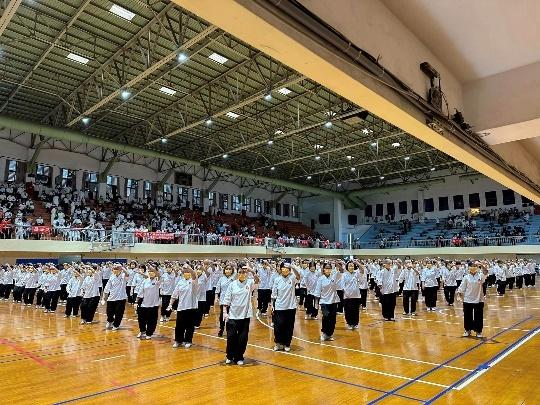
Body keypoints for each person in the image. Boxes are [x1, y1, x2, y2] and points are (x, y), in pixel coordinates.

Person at [222, 263, 259, 365]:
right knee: (231, 337)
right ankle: (229, 356)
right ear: (237, 273)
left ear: (246, 273)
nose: (242, 274)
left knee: (242, 339)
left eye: (244, 272)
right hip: (233, 316)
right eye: (240, 272)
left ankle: (239, 357)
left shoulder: (249, 283)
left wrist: (251, 270)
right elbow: (226, 300)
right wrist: (225, 313)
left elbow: (257, 281)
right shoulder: (232, 284)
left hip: (245, 316)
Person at [270, 262, 300, 351]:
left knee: (289, 326)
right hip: (279, 306)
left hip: (291, 306)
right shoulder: (277, 279)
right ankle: (278, 343)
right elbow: (274, 294)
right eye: (283, 268)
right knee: (278, 326)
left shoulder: (292, 278)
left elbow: (298, 276)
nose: (285, 269)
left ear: (289, 270)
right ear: (281, 269)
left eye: (287, 268)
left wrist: (293, 266)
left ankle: (287, 344)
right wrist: (272, 305)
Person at [168, 264, 198, 348]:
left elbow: (194, 275)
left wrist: (189, 268)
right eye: (185, 272)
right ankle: (178, 341)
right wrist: (170, 304)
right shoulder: (180, 282)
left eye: (188, 272)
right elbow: (174, 295)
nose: (186, 273)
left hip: (191, 307)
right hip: (181, 307)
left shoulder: (194, 281)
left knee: (189, 326)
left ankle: (188, 340)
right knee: (179, 325)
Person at [457, 262, 489, 338]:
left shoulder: (480, 276)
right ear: (469, 268)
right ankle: (467, 330)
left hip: (479, 299)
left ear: (477, 267)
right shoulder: (466, 277)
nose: (473, 267)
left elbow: (486, 272)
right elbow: (461, 288)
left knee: (479, 316)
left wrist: (481, 265)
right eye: (471, 266)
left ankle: (478, 331)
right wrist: (459, 295)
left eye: (475, 266)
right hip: (467, 299)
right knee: (467, 316)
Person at [314, 261, 343, 341]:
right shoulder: (320, 279)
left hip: (333, 301)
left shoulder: (334, 276)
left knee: (332, 319)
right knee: (326, 317)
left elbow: (342, 270)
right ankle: (324, 333)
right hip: (324, 302)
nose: (328, 270)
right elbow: (317, 292)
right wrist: (316, 304)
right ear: (323, 270)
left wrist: (337, 263)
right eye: (326, 268)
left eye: (329, 268)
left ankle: (329, 334)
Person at [101, 264, 129, 330]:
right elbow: (106, 289)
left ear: (120, 270)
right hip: (111, 298)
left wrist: (121, 267)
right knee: (109, 312)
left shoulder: (123, 276)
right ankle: (110, 321)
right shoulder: (111, 277)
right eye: (114, 269)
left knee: (118, 313)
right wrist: (103, 298)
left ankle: (116, 325)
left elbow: (127, 273)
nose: (115, 270)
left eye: (117, 269)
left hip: (121, 298)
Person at [135, 267, 161, 339]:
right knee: (141, 319)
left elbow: (159, 276)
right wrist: (136, 302)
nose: (150, 273)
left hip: (154, 305)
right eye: (149, 271)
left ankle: (149, 333)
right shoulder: (145, 281)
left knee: (152, 320)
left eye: (152, 271)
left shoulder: (157, 281)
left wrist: (154, 270)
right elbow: (140, 292)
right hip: (143, 303)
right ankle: (142, 331)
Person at [215, 263, 236, 337]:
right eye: (227, 269)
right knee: (222, 316)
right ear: (224, 270)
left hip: (232, 300)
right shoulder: (221, 278)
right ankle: (221, 328)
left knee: (230, 316)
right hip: (223, 300)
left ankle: (229, 330)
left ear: (232, 271)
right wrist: (216, 297)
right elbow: (218, 288)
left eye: (230, 269)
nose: (228, 270)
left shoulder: (234, 278)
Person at [341, 261, 362, 329]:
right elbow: (342, 285)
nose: (351, 267)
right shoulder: (344, 274)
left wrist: (357, 263)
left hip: (356, 296)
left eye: (352, 266)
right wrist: (346, 293)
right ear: (347, 267)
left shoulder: (357, 273)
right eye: (349, 266)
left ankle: (355, 323)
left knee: (355, 310)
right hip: (347, 296)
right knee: (348, 310)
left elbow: (362, 269)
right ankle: (349, 323)